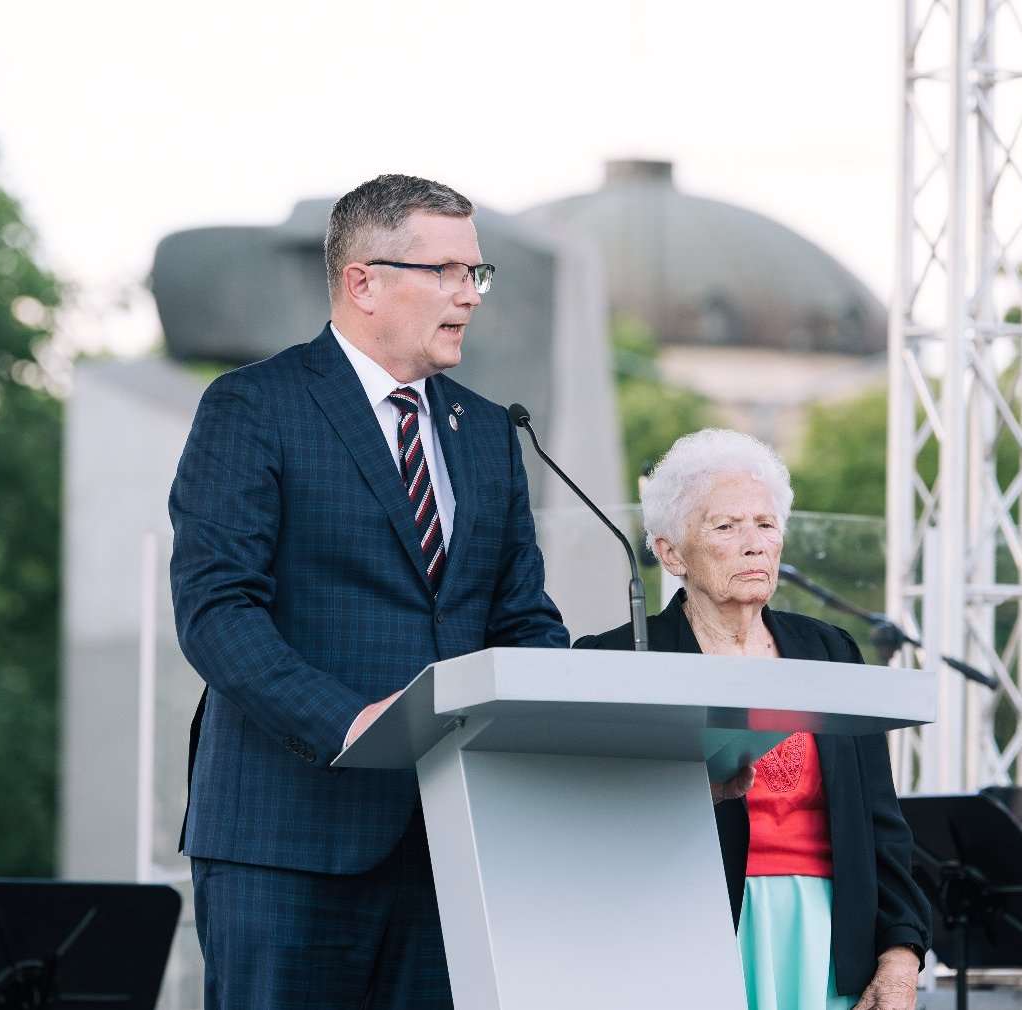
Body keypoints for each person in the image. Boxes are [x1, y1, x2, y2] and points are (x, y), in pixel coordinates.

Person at [169, 174, 569, 1010]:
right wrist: (349, 724)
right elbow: (217, 610)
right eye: (448, 273)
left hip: (449, 844)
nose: (470, 295)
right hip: (288, 838)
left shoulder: (491, 432)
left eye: (478, 275)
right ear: (363, 282)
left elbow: (522, 617)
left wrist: (567, 720)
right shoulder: (254, 406)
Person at [574, 428, 930, 1010]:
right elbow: (586, 820)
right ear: (670, 552)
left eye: (766, 525)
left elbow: (880, 823)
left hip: (832, 943)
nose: (754, 544)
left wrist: (900, 957)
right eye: (726, 526)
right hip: (684, 934)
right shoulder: (619, 657)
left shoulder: (830, 651)